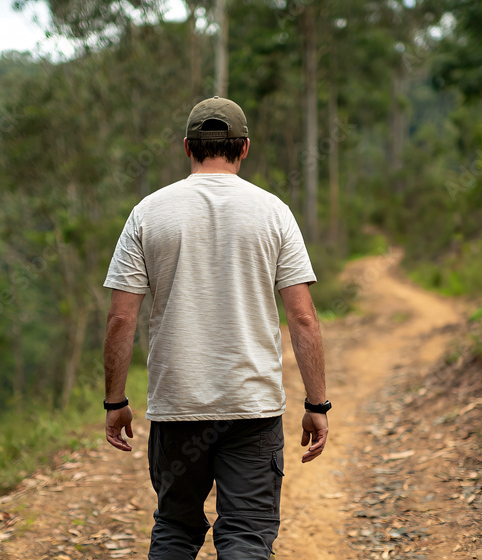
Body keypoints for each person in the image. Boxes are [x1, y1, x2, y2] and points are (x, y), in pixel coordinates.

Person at [101, 96, 330, 560]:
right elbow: (302, 317)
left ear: (188, 147)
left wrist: (115, 401)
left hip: (177, 407)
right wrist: (317, 403)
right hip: (252, 408)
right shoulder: (274, 212)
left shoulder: (148, 213)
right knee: (246, 536)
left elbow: (121, 318)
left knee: (174, 529)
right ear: (244, 148)